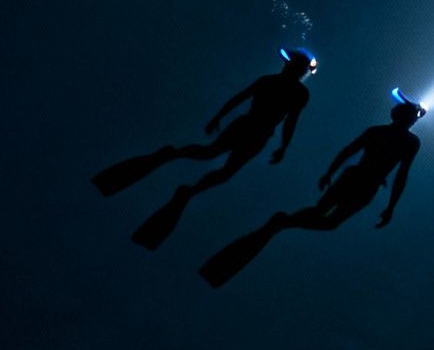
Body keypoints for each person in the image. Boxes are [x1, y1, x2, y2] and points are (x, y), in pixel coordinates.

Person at [90, 47, 316, 248]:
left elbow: (281, 117)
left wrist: (220, 117)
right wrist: (281, 146)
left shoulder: (281, 87)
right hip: (254, 131)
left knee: (216, 161)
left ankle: (180, 171)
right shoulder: (286, 88)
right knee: (215, 160)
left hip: (255, 132)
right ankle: (181, 172)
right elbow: (274, 114)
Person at [199, 89, 425, 288]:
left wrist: (330, 173)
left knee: (322, 215)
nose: (414, 120)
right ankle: (282, 222)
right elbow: (399, 174)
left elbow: (349, 152)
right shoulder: (408, 142)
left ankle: (281, 223)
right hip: (363, 184)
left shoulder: (377, 132)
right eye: (413, 117)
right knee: (327, 221)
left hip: (353, 179)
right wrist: (390, 206)